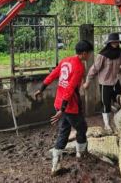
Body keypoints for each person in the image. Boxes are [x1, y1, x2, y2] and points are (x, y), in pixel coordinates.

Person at [34, 40, 93, 177]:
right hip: (69, 105)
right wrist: (63, 109)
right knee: (82, 128)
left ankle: (56, 167)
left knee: (64, 132)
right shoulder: (79, 67)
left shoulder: (66, 60)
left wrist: (41, 88)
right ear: (84, 54)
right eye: (89, 53)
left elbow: (53, 74)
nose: (90, 56)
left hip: (59, 101)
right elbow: (70, 89)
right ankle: (81, 154)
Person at [83, 32, 121, 132]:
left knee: (120, 101)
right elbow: (94, 69)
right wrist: (87, 81)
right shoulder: (102, 55)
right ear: (109, 43)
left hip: (115, 82)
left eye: (117, 42)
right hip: (104, 83)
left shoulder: (120, 53)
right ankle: (107, 124)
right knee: (105, 104)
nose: (115, 44)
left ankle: (118, 122)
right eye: (113, 42)